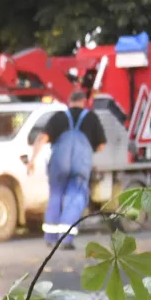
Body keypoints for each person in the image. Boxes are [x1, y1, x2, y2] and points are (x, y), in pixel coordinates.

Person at [27, 90, 107, 248]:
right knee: (75, 199)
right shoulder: (91, 118)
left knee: (55, 197)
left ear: (69, 101)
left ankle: (50, 238)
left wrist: (32, 160)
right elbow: (101, 145)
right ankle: (66, 239)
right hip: (80, 165)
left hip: (58, 164)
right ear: (84, 101)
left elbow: (42, 138)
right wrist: (87, 152)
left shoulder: (59, 117)